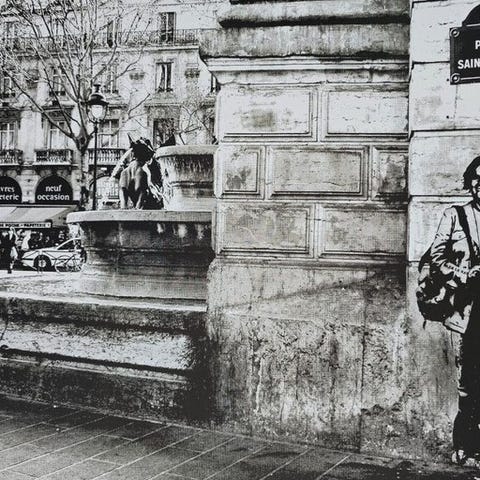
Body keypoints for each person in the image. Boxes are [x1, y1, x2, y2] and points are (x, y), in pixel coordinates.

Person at [430, 156, 480, 466]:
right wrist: (463, 273)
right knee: (467, 384)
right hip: (465, 312)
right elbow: (436, 259)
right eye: (477, 178)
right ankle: (465, 445)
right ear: (470, 182)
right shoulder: (455, 215)